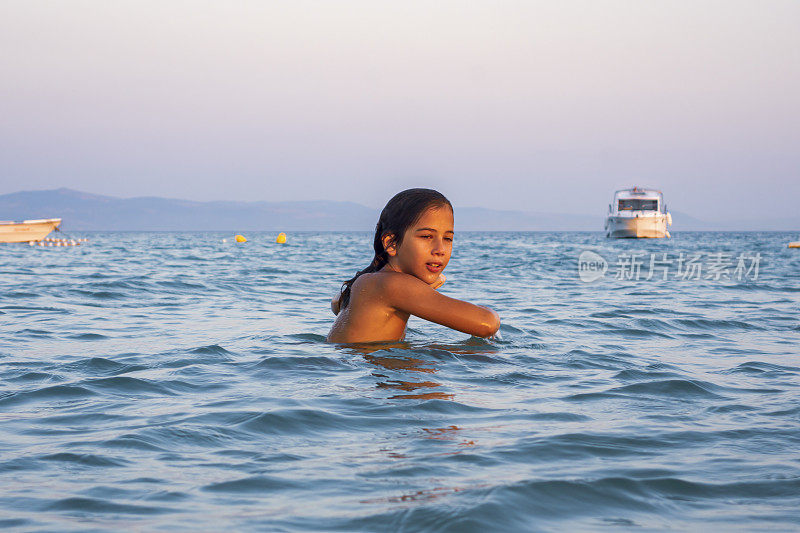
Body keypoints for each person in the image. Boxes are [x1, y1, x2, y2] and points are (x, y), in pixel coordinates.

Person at [327, 188, 500, 343]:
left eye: (447, 238)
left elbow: (337, 302)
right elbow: (487, 324)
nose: (440, 249)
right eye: (426, 236)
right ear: (391, 243)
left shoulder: (367, 282)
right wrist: (489, 313)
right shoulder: (394, 285)